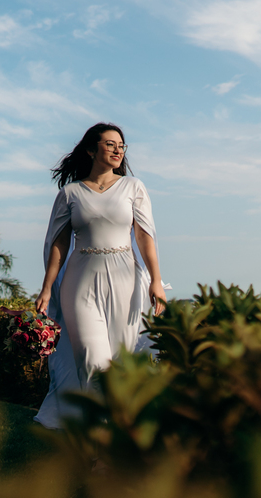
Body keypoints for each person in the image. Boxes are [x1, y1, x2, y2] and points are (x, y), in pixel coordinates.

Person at [33, 122, 168, 429]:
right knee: (94, 363)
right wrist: (46, 288)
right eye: (110, 144)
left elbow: (145, 236)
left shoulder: (133, 187)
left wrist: (156, 280)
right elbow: (57, 243)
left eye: (121, 145)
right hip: (80, 284)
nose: (118, 150)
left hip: (126, 281)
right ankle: (100, 443)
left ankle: (114, 436)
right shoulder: (70, 194)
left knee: (119, 365)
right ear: (92, 149)